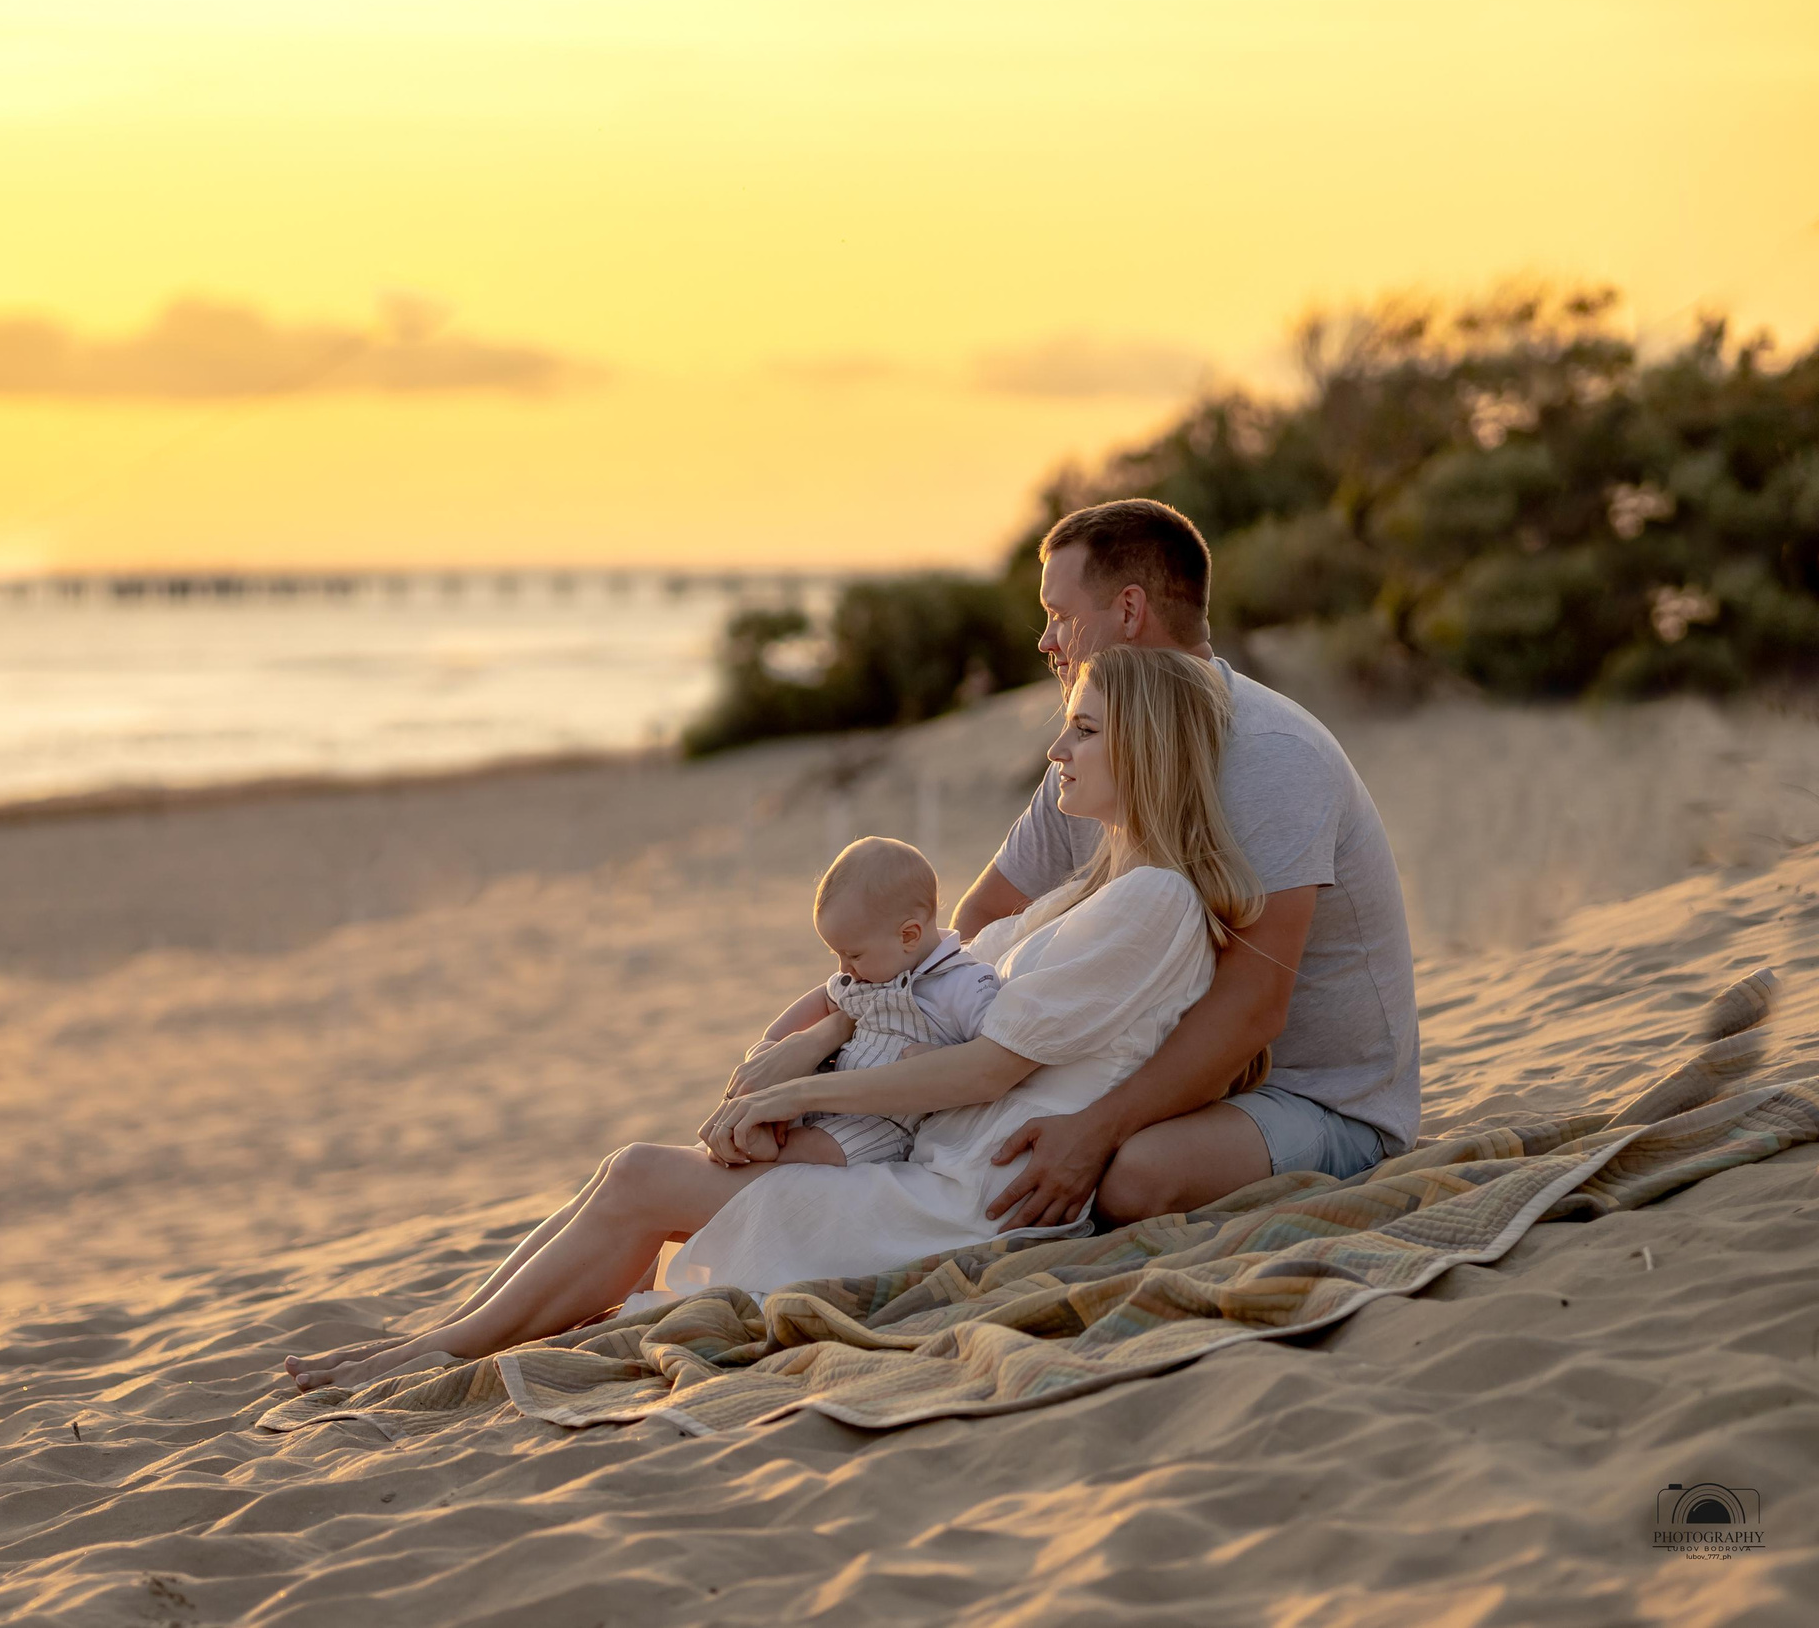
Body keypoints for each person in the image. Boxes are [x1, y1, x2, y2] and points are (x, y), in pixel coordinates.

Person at [283, 644, 1255, 1389]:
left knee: (638, 1179)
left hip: (964, 1201)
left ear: (1147, 745)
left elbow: (985, 1070)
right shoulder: (1072, 901)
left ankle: (442, 1349)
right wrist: (810, 1049)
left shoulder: (1155, 903)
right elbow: (911, 992)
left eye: (1083, 730)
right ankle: (455, 1332)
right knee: (634, 1173)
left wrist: (795, 1091)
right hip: (915, 1163)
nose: (1056, 749)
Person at [941, 498, 1420, 1232]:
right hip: (1153, 1078)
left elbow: (1254, 1005)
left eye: (1060, 615)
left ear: (1129, 610)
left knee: (1134, 1176)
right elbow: (983, 918)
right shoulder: (1092, 739)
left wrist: (1093, 1127)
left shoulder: (1268, 754)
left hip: (1314, 1099)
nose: (1045, 640)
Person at [730, 835, 1000, 1168]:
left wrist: (942, 1058)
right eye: (837, 954)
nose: (843, 968)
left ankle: (768, 1151)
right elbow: (803, 1016)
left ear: (909, 935)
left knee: (820, 1151)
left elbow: (992, 1051)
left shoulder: (964, 983)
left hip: (883, 1118)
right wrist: (771, 1050)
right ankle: (763, 1134)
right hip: (826, 1088)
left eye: (853, 954)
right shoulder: (864, 977)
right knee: (775, 1095)